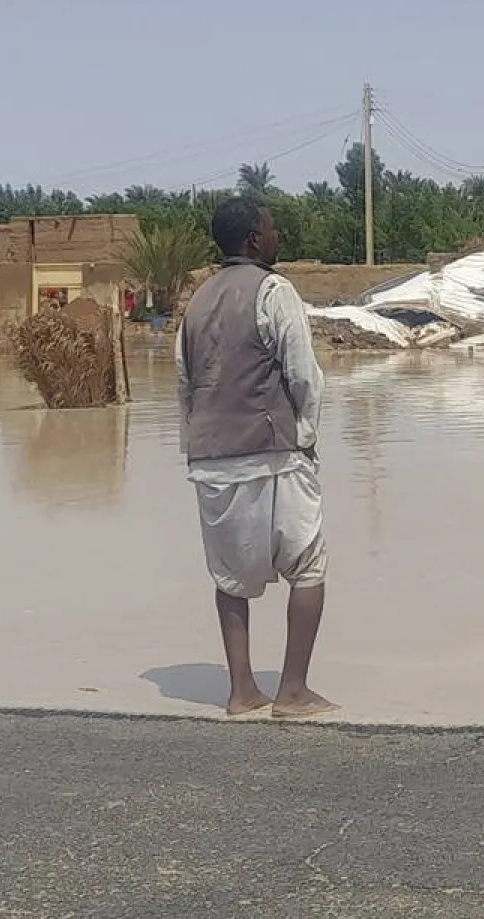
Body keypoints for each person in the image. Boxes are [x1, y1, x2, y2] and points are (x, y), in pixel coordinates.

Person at [175, 196, 336, 719]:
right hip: (274, 454)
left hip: (210, 459)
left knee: (229, 578)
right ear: (253, 240)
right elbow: (304, 375)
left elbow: (184, 384)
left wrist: (196, 446)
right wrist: (307, 437)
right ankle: (292, 691)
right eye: (270, 229)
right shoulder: (274, 291)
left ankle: (241, 690)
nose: (275, 236)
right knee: (308, 565)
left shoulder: (195, 303)